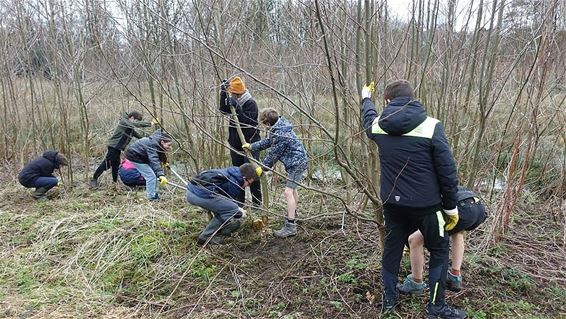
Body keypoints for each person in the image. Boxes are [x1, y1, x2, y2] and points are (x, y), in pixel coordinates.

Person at [360, 80, 466, 318]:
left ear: (387, 101)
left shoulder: (378, 126)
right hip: (427, 205)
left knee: (392, 250)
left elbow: (368, 119)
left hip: (392, 204)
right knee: (439, 249)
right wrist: (450, 207)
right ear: (413, 99)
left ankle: (389, 304)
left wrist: (366, 98)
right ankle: (436, 308)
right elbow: (447, 172)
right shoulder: (431, 126)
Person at [398, 186, 487, 294]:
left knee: (414, 240)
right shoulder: (430, 185)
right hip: (477, 208)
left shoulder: (416, 196)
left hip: (461, 207)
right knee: (457, 232)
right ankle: (455, 278)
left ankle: (415, 283)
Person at [242, 108, 308, 238]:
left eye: (263, 123)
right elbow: (268, 142)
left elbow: (274, 154)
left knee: (288, 192)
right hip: (295, 162)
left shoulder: (281, 134)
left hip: (297, 163)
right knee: (293, 191)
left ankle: (290, 226)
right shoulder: (278, 127)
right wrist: (252, 146)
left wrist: (263, 167)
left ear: (267, 122)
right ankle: (293, 215)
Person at [186, 163, 262, 245]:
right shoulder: (235, 183)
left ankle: (218, 228)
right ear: (244, 178)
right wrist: (240, 212)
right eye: (249, 183)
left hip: (190, 191)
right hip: (200, 195)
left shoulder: (232, 172)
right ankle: (205, 237)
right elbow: (230, 206)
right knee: (233, 210)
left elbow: (222, 203)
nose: (248, 186)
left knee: (226, 208)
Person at [219, 76, 262, 209]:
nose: (232, 96)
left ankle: (257, 203)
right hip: (235, 145)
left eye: (233, 94)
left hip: (250, 144)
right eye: (231, 93)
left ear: (239, 93)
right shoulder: (232, 100)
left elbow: (247, 124)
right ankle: (239, 203)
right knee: (237, 174)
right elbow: (222, 110)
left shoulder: (251, 103)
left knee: (252, 174)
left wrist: (236, 107)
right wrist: (223, 93)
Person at [89, 111, 154, 188]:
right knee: (107, 163)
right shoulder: (124, 121)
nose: (136, 122)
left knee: (115, 165)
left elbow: (139, 136)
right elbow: (134, 124)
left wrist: (151, 140)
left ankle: (115, 182)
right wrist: (151, 123)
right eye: (136, 120)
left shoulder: (130, 128)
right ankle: (94, 179)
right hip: (113, 146)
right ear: (132, 118)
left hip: (118, 148)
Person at [125, 129, 172, 200]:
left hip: (142, 155)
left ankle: (154, 193)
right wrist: (161, 175)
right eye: (169, 145)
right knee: (151, 176)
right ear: (162, 142)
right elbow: (154, 159)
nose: (170, 147)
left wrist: (165, 162)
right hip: (135, 156)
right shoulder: (153, 145)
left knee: (153, 174)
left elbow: (160, 152)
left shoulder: (158, 142)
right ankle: (151, 197)